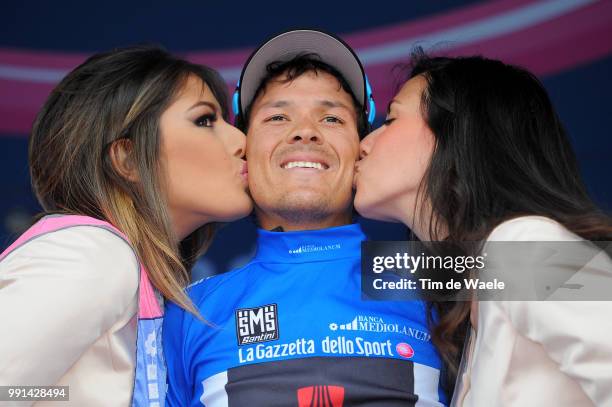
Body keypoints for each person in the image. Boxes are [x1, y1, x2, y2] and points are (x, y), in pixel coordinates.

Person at [164, 30, 451, 406]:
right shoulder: (189, 311)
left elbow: (554, 271)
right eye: (278, 117)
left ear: (364, 149)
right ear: (243, 150)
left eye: (331, 118)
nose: (304, 132)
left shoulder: (437, 272)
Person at [354, 51, 612, 406]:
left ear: (456, 133)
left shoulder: (523, 242)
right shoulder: (479, 298)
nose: (363, 145)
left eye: (391, 119)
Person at [0, 46, 252, 406]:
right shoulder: (95, 254)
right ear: (128, 158)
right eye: (205, 120)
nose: (241, 140)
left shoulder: (119, 265)